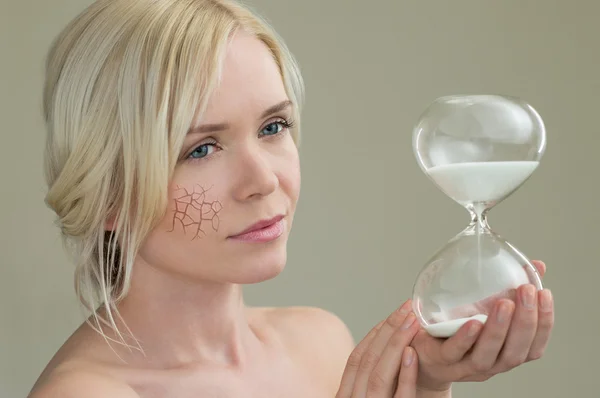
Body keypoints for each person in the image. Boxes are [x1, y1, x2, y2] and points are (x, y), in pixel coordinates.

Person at [29, 0, 555, 397]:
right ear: (109, 195)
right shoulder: (89, 392)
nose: (262, 180)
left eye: (273, 126)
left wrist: (426, 382)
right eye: (201, 149)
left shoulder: (321, 342)